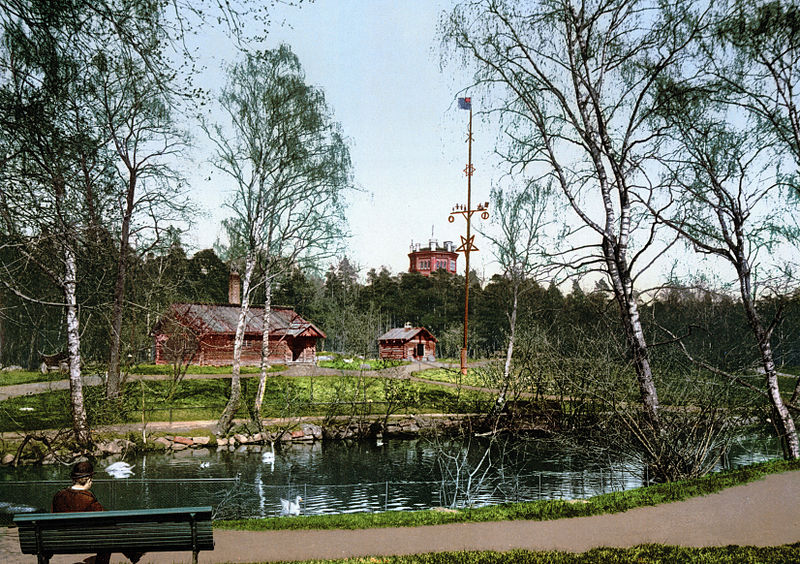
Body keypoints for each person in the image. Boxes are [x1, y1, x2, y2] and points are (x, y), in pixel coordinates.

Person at [52, 461, 142, 564]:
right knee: (109, 534)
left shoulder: (58, 495)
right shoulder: (87, 499)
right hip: (86, 540)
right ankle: (132, 554)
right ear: (89, 480)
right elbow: (106, 517)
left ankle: (132, 554)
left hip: (61, 539)